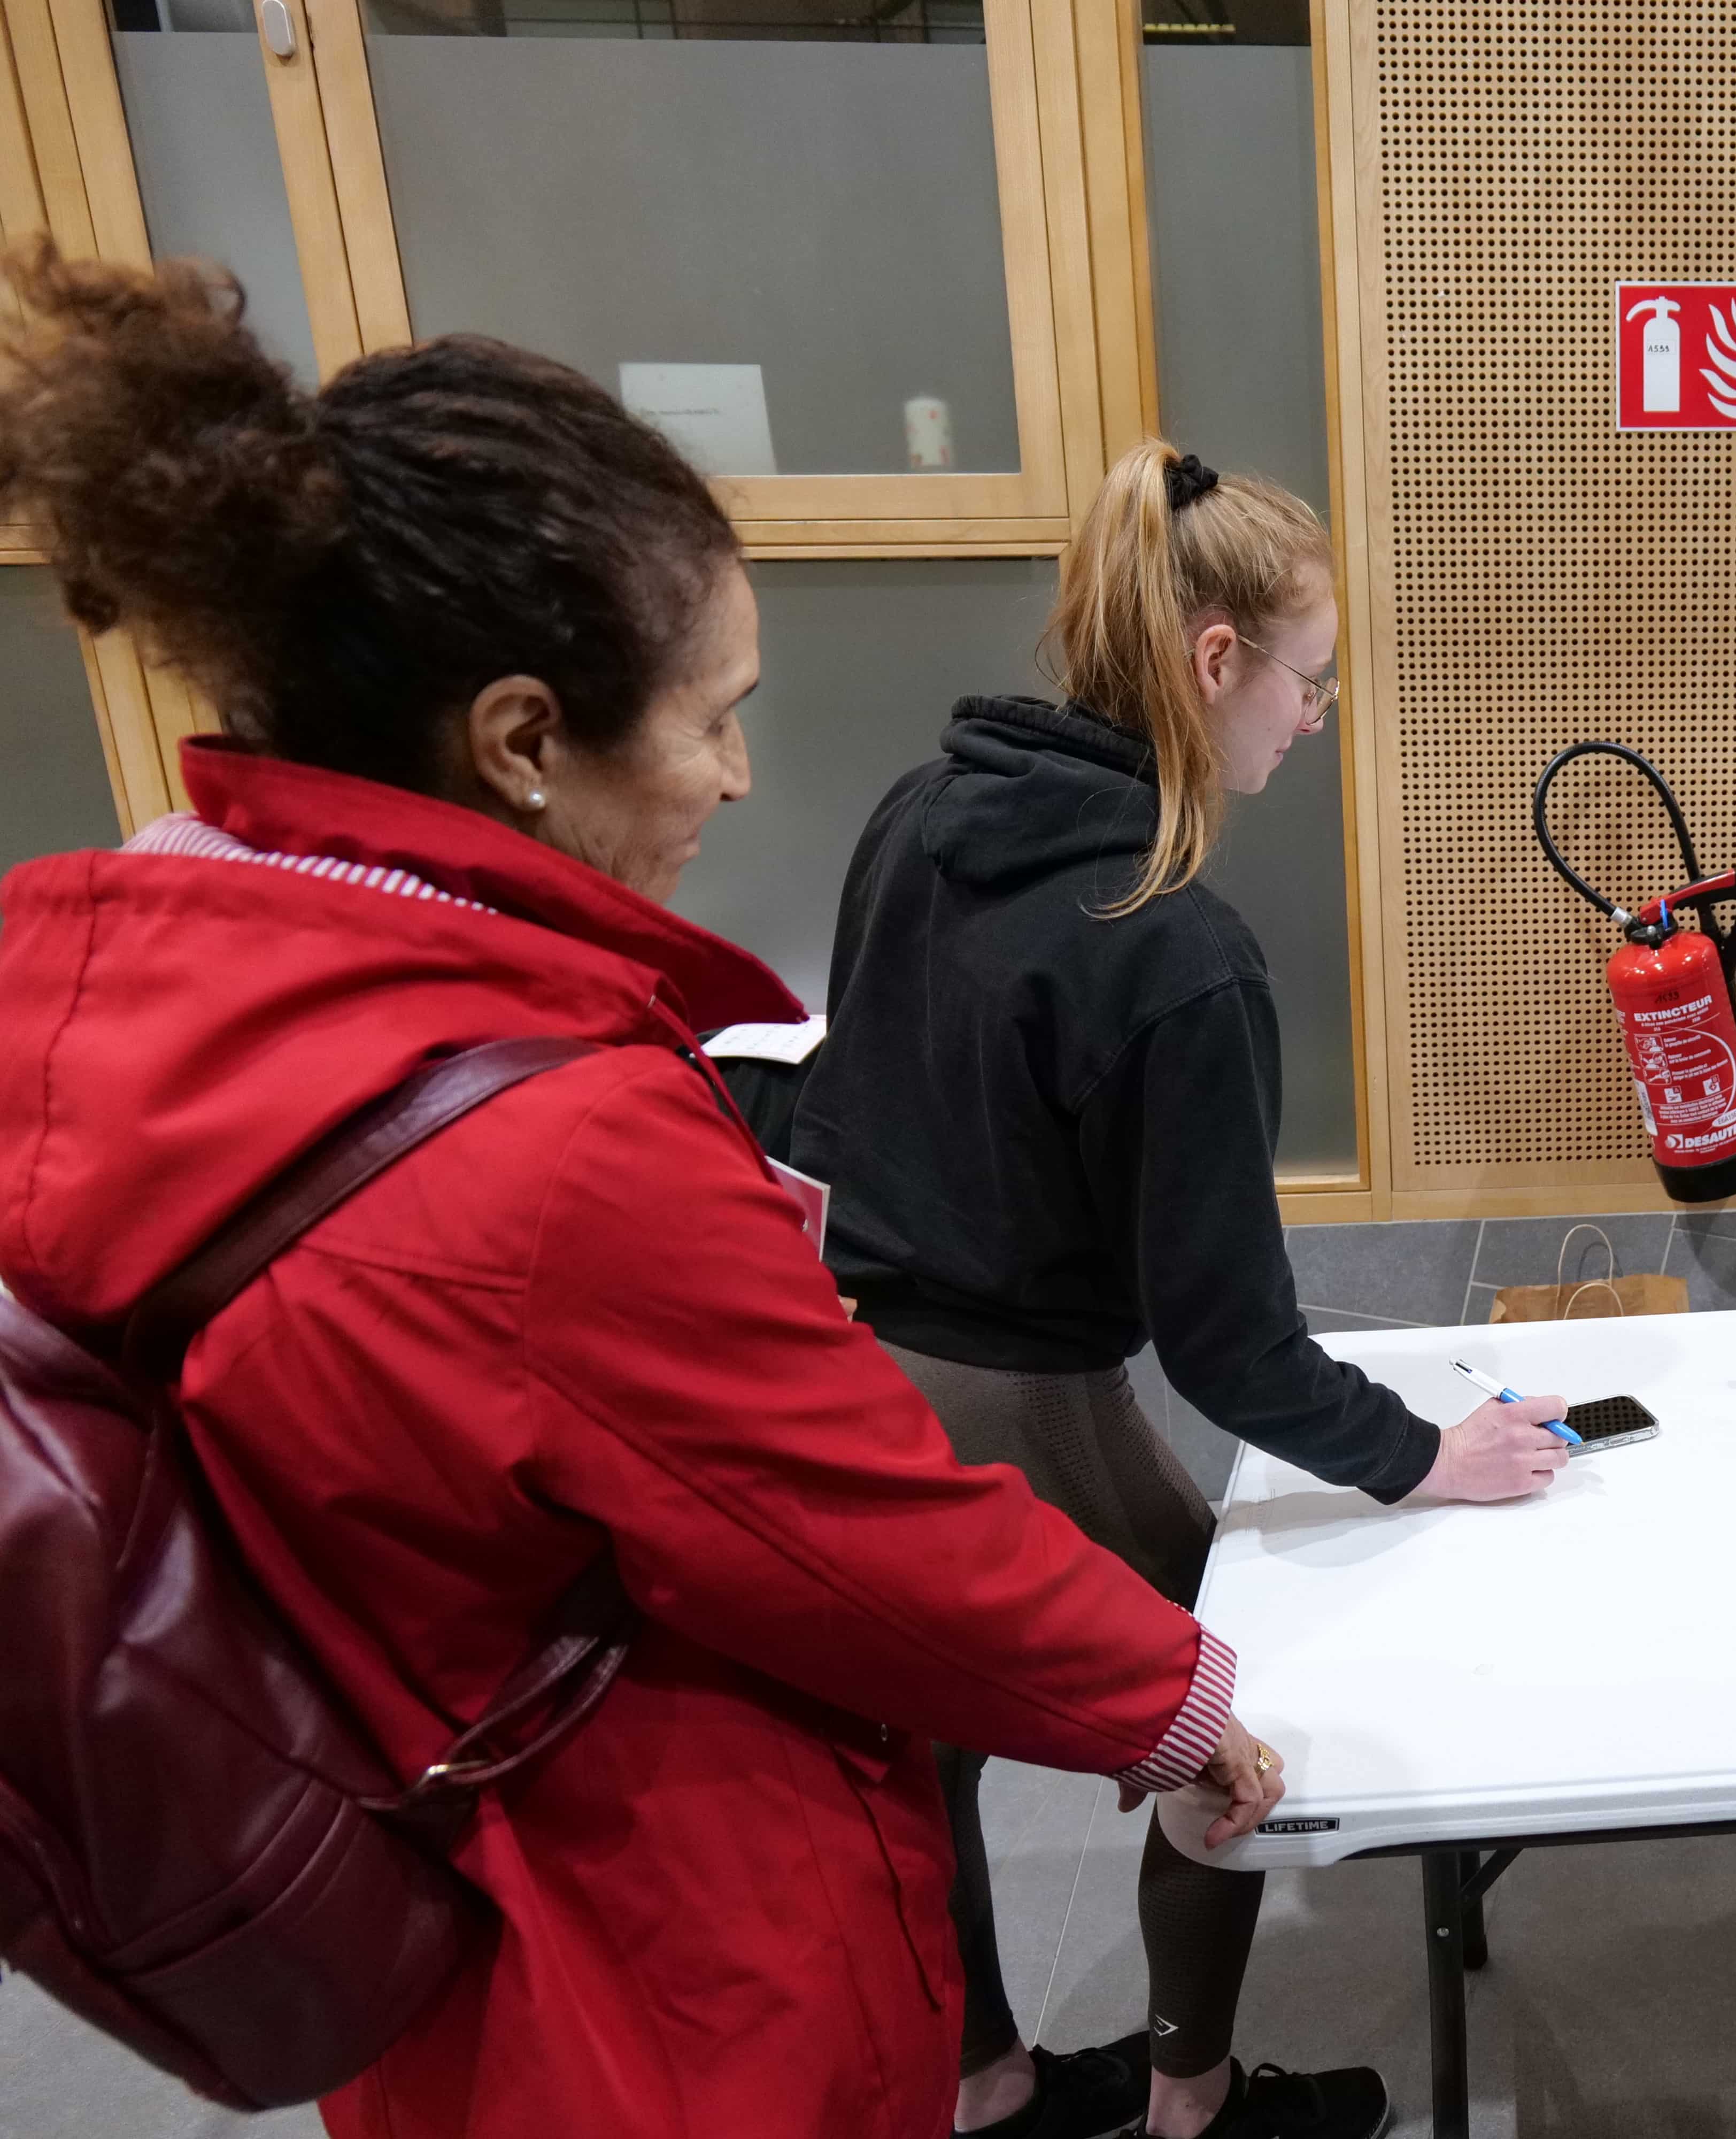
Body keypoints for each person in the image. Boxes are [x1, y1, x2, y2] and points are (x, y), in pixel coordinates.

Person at [0, 247, 1285, 2139]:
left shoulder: (115, 996)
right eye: (710, 714)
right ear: (522, 739)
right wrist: (1177, 1698)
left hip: (401, 1877)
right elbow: (854, 1530)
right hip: (657, 1950)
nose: (743, 775)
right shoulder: (547, 1147)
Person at [791, 440, 1573, 2139]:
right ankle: (1194, 2107)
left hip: (849, 1379)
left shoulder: (914, 817)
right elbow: (1232, 1347)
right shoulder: (1172, 942)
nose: (1317, 715)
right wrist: (1429, 1455)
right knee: (1233, 1736)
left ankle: (989, 2084)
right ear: (1216, 660)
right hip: (1028, 1408)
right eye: (1309, 677)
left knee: (928, 1749)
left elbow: (843, 1097)